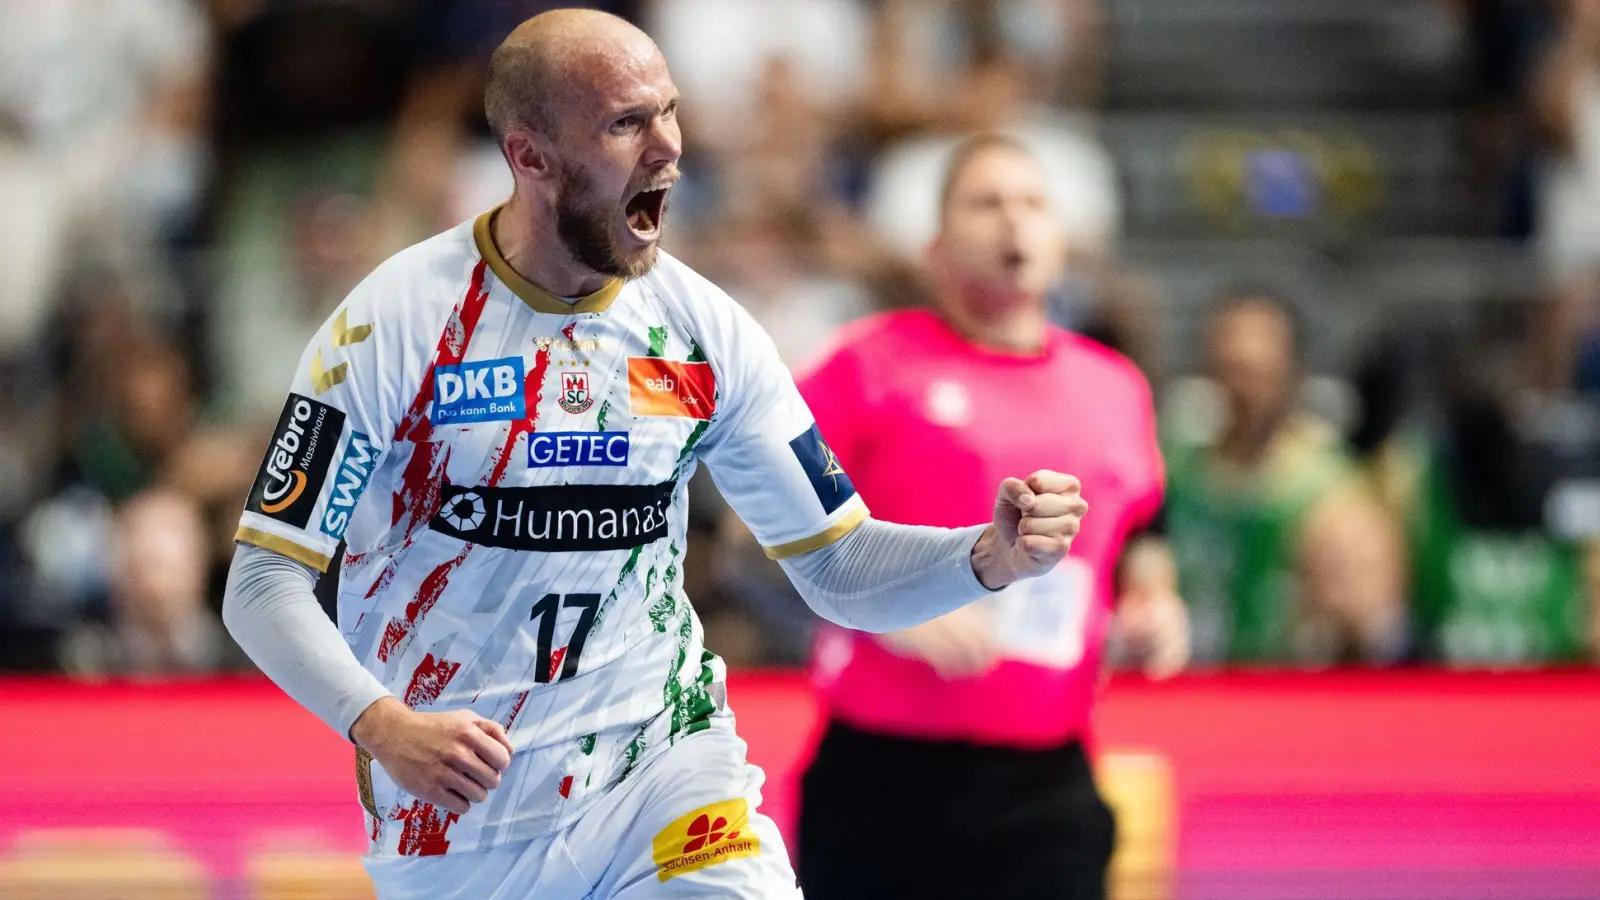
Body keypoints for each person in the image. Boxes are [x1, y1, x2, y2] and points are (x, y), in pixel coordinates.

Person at [220, 10, 1089, 899]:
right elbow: (261, 584)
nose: (670, 148)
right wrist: (381, 724)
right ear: (532, 157)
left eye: (670, 111)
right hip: (458, 823)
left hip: (664, 770)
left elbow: (838, 563)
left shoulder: (703, 329)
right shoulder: (392, 323)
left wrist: (986, 557)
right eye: (627, 123)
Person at [795, 134, 1188, 900]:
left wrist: (1155, 600)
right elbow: (759, 544)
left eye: (1033, 203)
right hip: (883, 783)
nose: (1015, 222)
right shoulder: (864, 367)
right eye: (987, 202)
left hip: (1047, 788)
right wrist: (887, 614)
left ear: (1061, 241)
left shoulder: (1116, 386)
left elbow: (1141, 525)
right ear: (936, 248)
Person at [1164, 290, 1407, 665]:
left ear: (1291, 373)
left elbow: (1372, 624)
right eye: (1233, 371)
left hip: (1286, 688)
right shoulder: (1178, 476)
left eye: (1259, 374)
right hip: (1190, 682)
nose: (1245, 392)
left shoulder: (1332, 488)